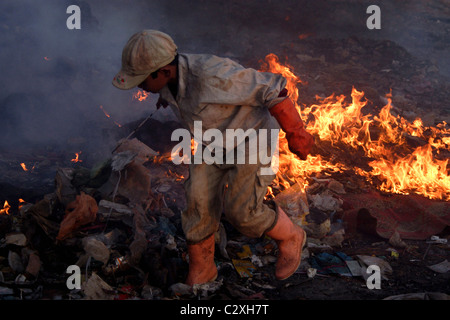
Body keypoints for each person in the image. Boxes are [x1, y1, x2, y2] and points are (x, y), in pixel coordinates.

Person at [112, 30, 314, 285]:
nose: (139, 86)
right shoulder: (169, 79)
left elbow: (273, 88)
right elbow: (180, 94)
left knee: (243, 214)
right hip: (213, 140)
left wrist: (297, 132)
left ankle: (291, 236)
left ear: (163, 72)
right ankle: (203, 268)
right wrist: (169, 99)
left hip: (252, 139)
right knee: (198, 201)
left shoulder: (212, 75)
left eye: (141, 80)